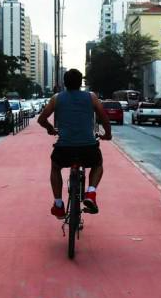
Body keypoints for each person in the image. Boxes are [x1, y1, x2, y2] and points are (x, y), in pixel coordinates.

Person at [38, 69, 112, 219]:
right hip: (88, 148)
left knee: (55, 167)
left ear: (64, 83)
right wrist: (108, 135)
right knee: (98, 165)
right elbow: (104, 118)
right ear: (81, 83)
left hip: (64, 148)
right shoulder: (91, 97)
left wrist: (50, 129)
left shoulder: (56, 98)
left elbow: (41, 119)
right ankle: (91, 192)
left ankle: (58, 204)